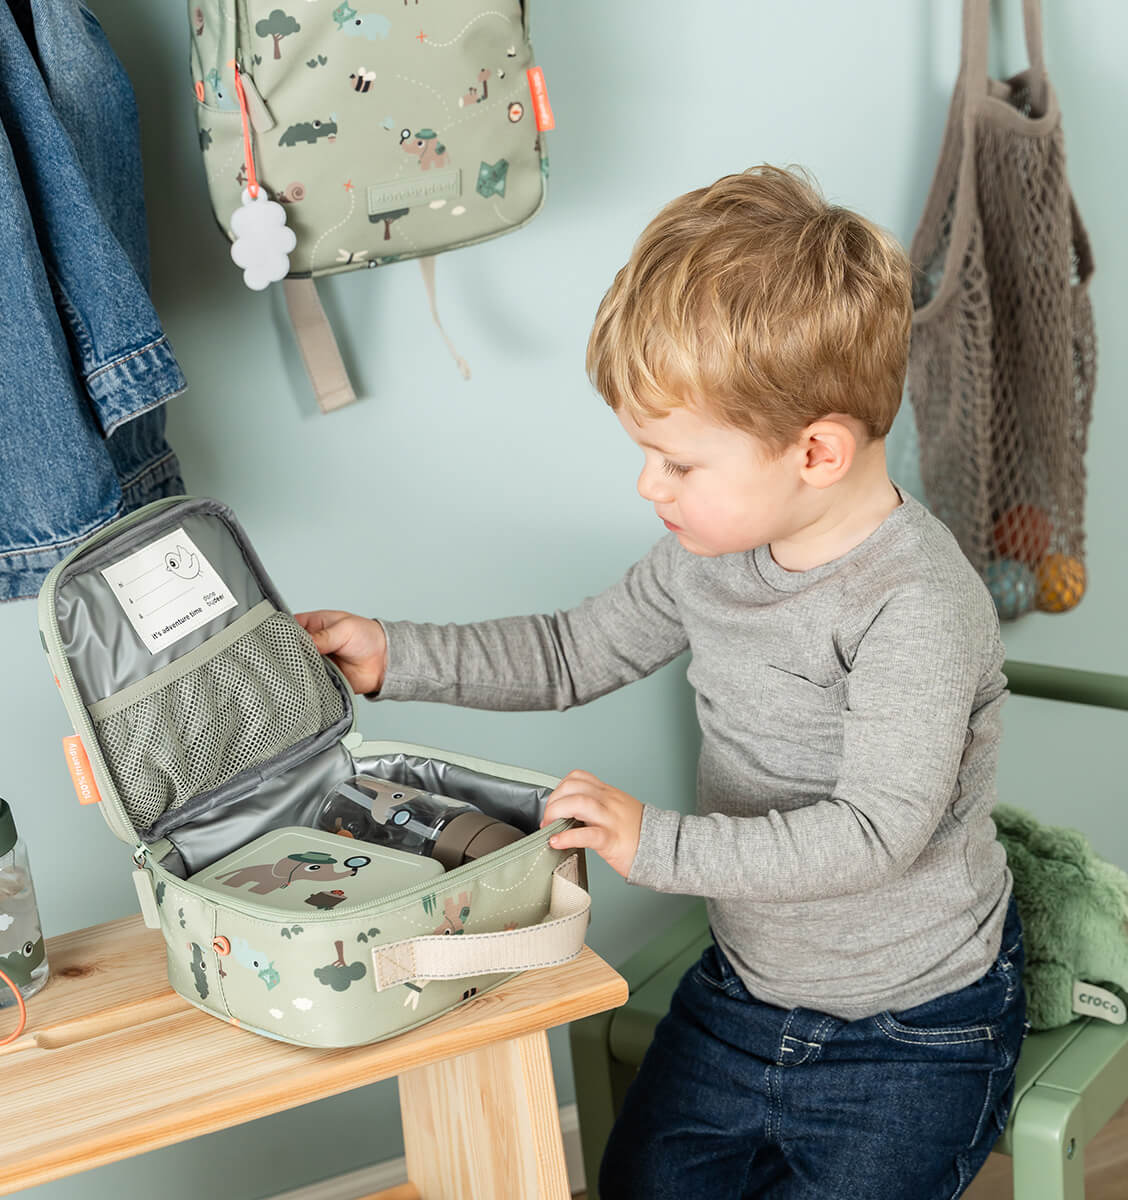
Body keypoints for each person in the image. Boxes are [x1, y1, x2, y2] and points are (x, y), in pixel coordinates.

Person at [296, 165, 1025, 1199]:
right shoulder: (708, 555)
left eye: (678, 462)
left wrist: (655, 843)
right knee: (639, 1181)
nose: (649, 486)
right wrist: (395, 652)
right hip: (749, 990)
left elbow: (874, 835)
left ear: (816, 451)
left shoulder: (916, 604)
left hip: (912, 1024)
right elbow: (569, 651)